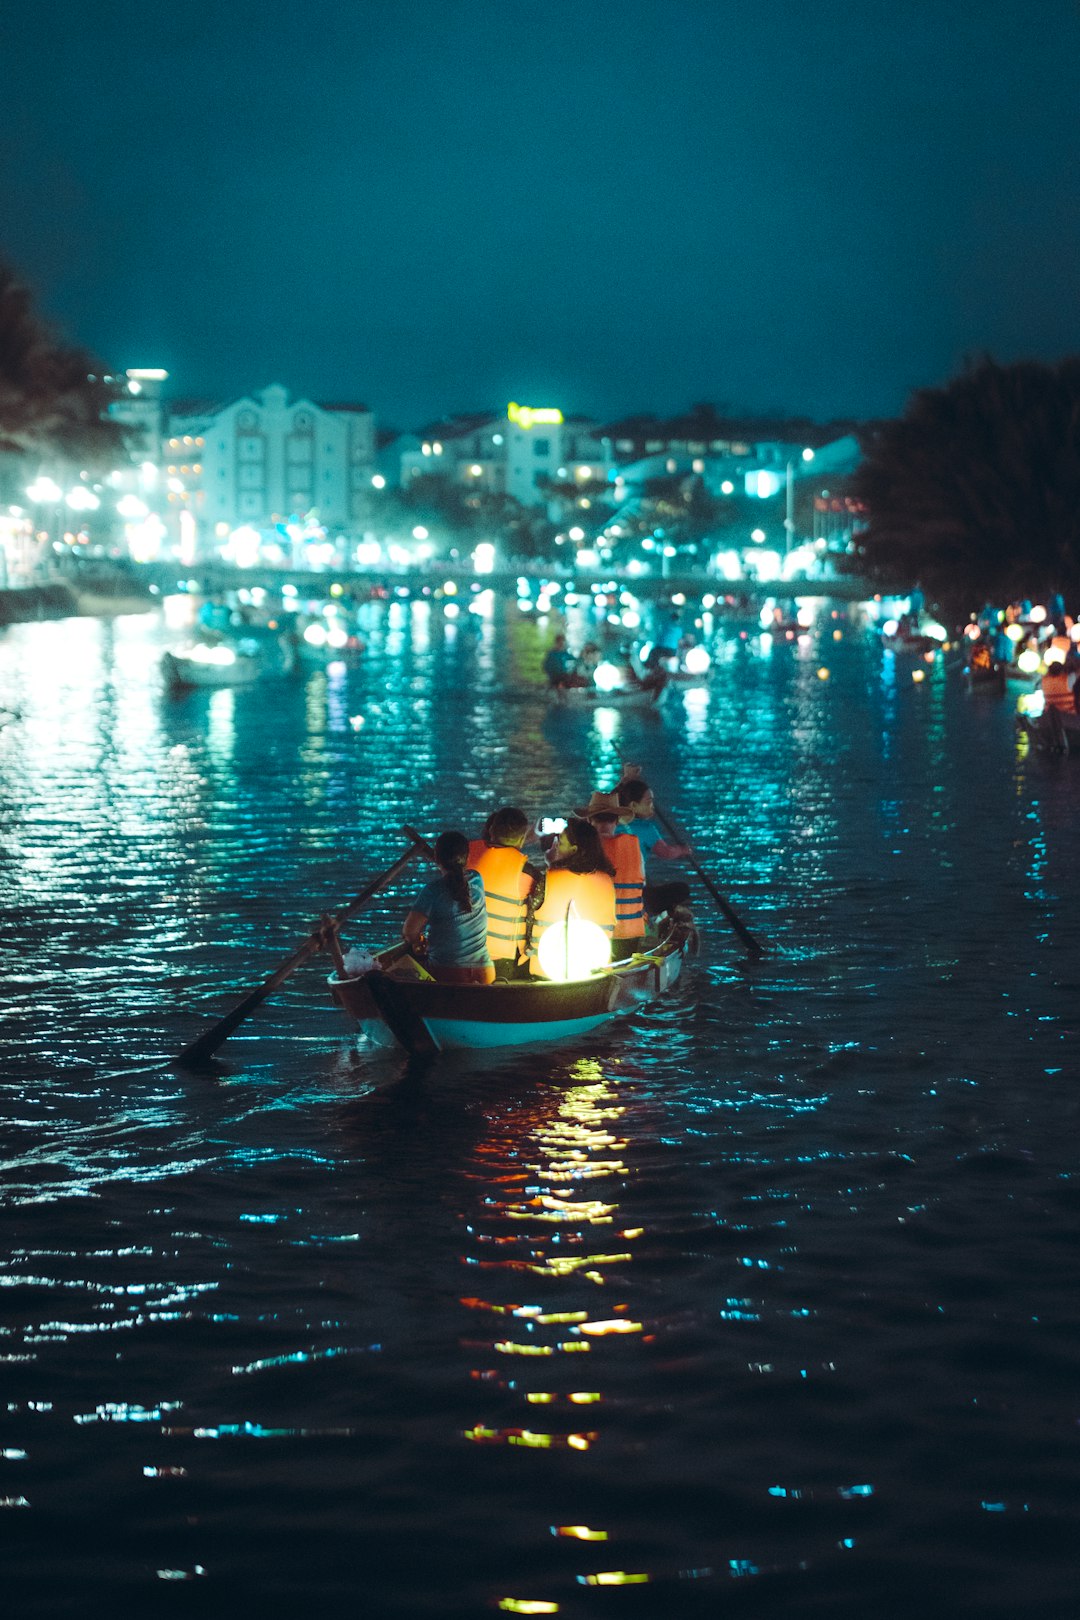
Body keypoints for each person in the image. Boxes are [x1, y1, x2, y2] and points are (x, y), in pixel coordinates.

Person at [402, 830, 495, 985]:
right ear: (467, 857)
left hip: (448, 973)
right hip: (485, 971)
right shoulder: (477, 879)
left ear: (437, 858)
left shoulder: (433, 891)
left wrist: (420, 940)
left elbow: (409, 931)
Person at [530, 816, 615, 976]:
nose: (555, 846)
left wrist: (551, 865)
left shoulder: (550, 878)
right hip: (595, 970)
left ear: (574, 850)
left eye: (560, 843)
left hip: (548, 970)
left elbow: (530, 920)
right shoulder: (606, 881)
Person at [467, 806, 545, 977]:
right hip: (504, 964)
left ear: (491, 831)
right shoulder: (528, 873)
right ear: (522, 839)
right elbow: (543, 903)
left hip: (461, 955)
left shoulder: (465, 858)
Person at [573, 789, 646, 958]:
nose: (604, 824)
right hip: (628, 932)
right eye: (600, 819)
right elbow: (643, 883)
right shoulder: (634, 848)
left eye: (609, 819)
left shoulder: (581, 849)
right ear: (591, 821)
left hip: (593, 932)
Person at [616, 776, 693, 919]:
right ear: (633, 806)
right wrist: (682, 850)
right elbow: (666, 853)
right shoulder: (646, 828)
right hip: (637, 894)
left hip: (614, 888)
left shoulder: (613, 824)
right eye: (649, 802)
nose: (652, 806)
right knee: (683, 890)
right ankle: (656, 916)